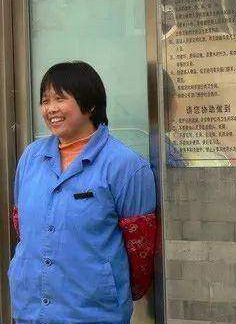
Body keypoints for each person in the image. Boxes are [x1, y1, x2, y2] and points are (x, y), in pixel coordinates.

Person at [9, 61, 157, 323]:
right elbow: (23, 225)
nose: (50, 109)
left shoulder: (125, 165)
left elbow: (140, 249)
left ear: (89, 105)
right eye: (45, 101)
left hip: (93, 311)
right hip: (30, 309)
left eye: (60, 99)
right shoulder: (31, 157)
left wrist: (109, 287)